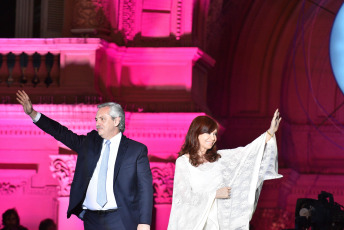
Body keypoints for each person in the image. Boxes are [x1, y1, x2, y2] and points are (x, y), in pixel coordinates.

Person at [16, 90, 153, 230]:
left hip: (120, 220)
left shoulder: (136, 150)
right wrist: (33, 113)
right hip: (91, 220)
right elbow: (62, 133)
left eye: (102, 119)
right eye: (96, 119)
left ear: (116, 120)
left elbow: (145, 189)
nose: (97, 123)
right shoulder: (90, 142)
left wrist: (145, 223)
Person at [167, 110, 283, 230]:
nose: (213, 138)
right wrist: (214, 194)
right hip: (196, 225)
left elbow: (247, 153)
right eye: (209, 133)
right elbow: (183, 197)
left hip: (218, 223)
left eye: (215, 134)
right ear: (196, 133)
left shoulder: (219, 159)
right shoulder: (184, 162)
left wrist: (269, 133)